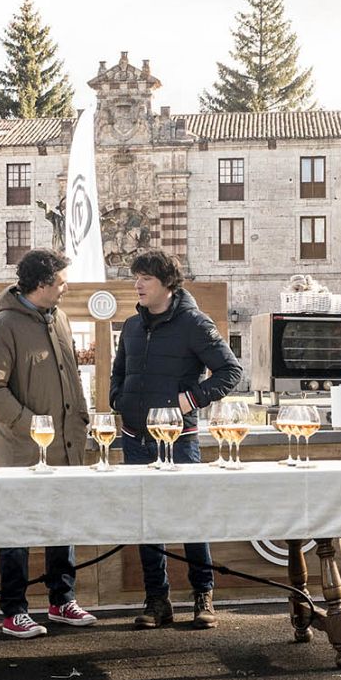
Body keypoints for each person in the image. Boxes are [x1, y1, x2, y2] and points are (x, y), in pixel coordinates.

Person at [110, 249, 242, 629]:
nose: (137, 284)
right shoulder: (132, 326)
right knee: (147, 522)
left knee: (189, 518)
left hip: (179, 439)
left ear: (167, 284)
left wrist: (191, 399)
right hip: (135, 439)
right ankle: (157, 601)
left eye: (145, 279)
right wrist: (116, 399)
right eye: (136, 277)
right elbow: (119, 372)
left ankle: (204, 596)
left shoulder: (194, 324)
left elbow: (230, 370)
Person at [0, 248, 97, 638]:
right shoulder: (4, 326)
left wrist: (81, 421)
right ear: (43, 284)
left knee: (62, 525)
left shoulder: (59, 317)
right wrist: (32, 425)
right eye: (62, 281)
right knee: (18, 527)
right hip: (23, 451)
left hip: (66, 449)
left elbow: (71, 377)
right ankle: (13, 610)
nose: (67, 287)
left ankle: (62, 601)